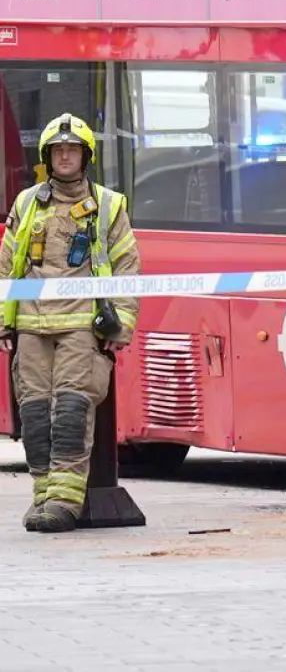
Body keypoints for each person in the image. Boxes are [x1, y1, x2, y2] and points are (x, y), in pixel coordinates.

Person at [0, 114, 140, 533]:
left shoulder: (109, 206)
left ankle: (64, 502)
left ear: (84, 157)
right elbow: (8, 264)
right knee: (35, 416)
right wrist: (4, 324)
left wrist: (119, 329)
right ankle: (44, 496)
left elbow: (128, 268)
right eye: (58, 150)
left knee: (72, 413)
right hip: (30, 328)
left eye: (72, 149)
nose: (65, 155)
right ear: (47, 156)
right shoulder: (27, 203)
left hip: (81, 327)